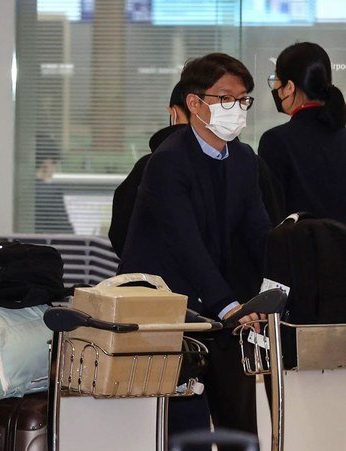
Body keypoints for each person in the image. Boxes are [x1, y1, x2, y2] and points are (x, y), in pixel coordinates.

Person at [118, 53, 272, 444]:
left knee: (238, 420)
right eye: (224, 98)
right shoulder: (168, 162)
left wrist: (281, 289)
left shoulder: (242, 158)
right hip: (165, 311)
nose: (235, 109)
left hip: (215, 305)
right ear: (194, 103)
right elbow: (184, 243)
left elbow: (258, 235)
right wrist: (229, 306)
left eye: (243, 100)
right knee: (183, 424)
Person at [259, 42, 346, 223]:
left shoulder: (275, 141)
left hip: (298, 248)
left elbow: (271, 212)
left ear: (289, 87)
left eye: (276, 81)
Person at [108, 81, 189, 257]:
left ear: (174, 113)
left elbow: (120, 233)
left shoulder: (150, 166)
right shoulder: (247, 164)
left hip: (154, 279)